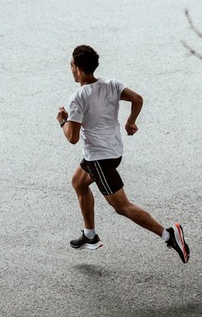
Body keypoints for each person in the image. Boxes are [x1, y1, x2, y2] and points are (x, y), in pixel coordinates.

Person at [55, 45, 189, 263]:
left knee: (122, 206)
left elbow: (72, 137)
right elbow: (138, 99)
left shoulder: (78, 98)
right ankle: (90, 235)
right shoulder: (112, 85)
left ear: (78, 69)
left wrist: (63, 121)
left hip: (99, 159)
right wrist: (131, 121)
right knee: (78, 183)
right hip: (114, 151)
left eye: (71, 65)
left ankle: (168, 234)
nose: (70, 68)